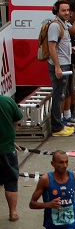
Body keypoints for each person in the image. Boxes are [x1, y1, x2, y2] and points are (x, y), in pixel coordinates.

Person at [46, 1, 75, 137]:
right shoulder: (54, 26)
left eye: (68, 10)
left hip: (65, 64)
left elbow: (73, 31)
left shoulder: (63, 24)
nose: (66, 13)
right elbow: (51, 47)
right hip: (60, 66)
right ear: (56, 11)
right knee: (58, 96)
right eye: (63, 10)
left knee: (62, 95)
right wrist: (57, 67)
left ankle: (60, 123)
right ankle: (57, 127)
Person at [0, 89, 23, 221]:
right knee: (11, 181)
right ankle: (13, 213)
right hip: (8, 149)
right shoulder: (7, 101)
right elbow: (17, 120)